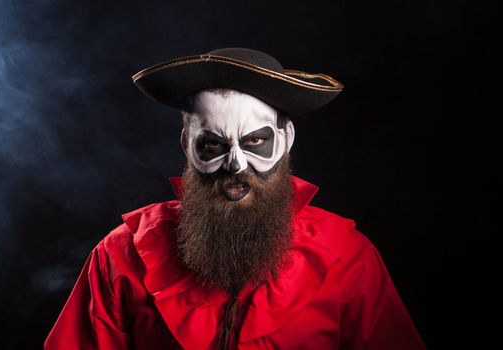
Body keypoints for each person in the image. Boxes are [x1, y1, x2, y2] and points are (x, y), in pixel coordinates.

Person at [45, 48, 426, 349]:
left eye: (254, 142)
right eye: (212, 145)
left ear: (285, 140)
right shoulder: (120, 256)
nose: (236, 165)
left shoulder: (347, 258)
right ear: (186, 145)